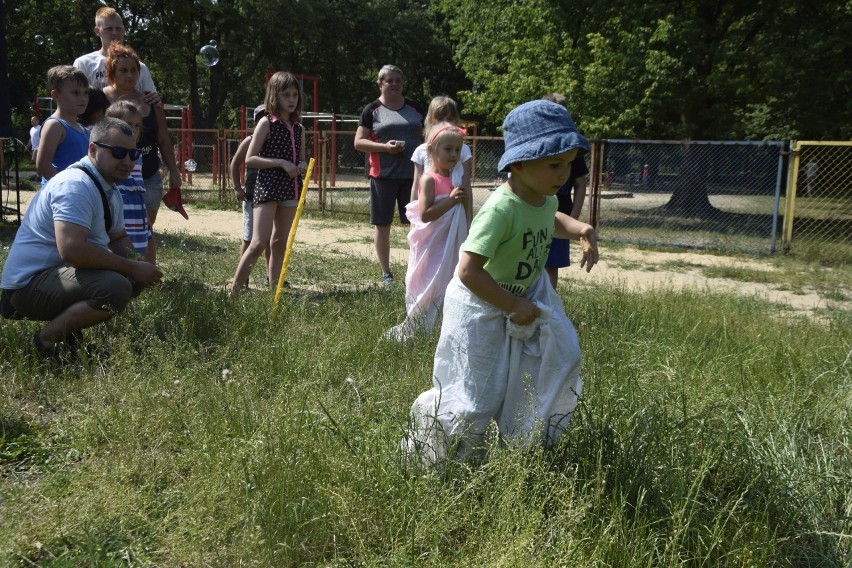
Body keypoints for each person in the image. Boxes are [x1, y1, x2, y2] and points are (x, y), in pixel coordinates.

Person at [404, 100, 599, 467]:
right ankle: (439, 459)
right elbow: (467, 271)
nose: (564, 173)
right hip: (479, 304)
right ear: (520, 163)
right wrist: (512, 306)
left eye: (569, 163)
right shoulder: (501, 208)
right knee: (477, 395)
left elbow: (549, 219)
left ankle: (522, 441)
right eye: (554, 164)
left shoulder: (542, 197)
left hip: (522, 296)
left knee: (559, 358)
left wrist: (581, 229)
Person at [0, 117, 162, 358]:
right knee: (116, 288)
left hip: (53, 276)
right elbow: (72, 250)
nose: (127, 161)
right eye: (118, 152)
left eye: (133, 154)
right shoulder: (76, 185)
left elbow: (117, 239)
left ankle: (69, 337)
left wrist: (140, 265)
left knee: (131, 278)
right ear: (93, 149)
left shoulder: (108, 187)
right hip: (25, 288)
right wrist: (131, 267)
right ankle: (45, 341)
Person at [386, 122, 468, 342]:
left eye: (457, 150)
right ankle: (422, 322)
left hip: (448, 243)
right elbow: (425, 215)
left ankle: (443, 323)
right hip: (433, 244)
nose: (453, 155)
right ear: (432, 150)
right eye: (448, 149)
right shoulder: (429, 179)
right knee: (429, 278)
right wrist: (451, 201)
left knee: (447, 280)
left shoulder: (455, 178)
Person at [230, 72, 307, 296]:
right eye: (286, 95)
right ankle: (233, 292)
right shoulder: (266, 123)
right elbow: (250, 159)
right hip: (267, 188)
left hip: (291, 189)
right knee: (258, 243)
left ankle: (275, 293)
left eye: (294, 95)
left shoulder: (299, 128)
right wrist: (281, 163)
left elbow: (301, 157)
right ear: (275, 95)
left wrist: (301, 165)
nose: (291, 100)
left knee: (279, 243)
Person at [103, 43, 182, 263]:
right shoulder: (99, 99)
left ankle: (144, 269)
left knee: (145, 225)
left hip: (148, 174)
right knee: (115, 227)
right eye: (123, 70)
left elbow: (164, 139)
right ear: (111, 72)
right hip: (113, 178)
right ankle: (123, 267)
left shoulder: (151, 101)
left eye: (134, 70)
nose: (129, 75)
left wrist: (174, 171)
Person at [354, 65, 424, 286]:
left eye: (398, 80)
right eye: (389, 80)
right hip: (382, 175)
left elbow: (427, 133)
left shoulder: (415, 108)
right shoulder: (371, 110)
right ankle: (386, 273)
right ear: (380, 84)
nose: (394, 84)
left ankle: (416, 268)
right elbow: (358, 142)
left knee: (417, 223)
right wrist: (384, 147)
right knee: (382, 225)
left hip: (414, 175)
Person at [542, 93, 589, 288]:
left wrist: (574, 219)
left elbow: (580, 184)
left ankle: (549, 306)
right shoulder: (538, 145)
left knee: (551, 265)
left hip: (561, 213)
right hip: (535, 212)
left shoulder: (573, 147)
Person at [73, 6, 161, 106]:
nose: (115, 33)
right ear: (97, 31)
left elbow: (152, 101)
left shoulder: (139, 67)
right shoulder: (83, 63)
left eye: (118, 28)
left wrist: (155, 99)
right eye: (109, 29)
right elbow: (75, 99)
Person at [410, 96, 473, 224]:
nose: (446, 122)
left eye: (450, 119)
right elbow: (417, 186)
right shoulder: (421, 150)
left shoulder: (463, 150)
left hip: (454, 218)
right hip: (430, 218)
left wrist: (469, 219)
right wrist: (413, 221)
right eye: (439, 118)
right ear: (430, 120)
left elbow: (466, 185)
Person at [229, 105, 271, 288]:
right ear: (255, 122)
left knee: (269, 240)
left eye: (268, 116)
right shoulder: (250, 140)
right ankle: (243, 279)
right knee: (249, 239)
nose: (264, 120)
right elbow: (234, 164)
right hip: (252, 197)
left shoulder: (276, 141)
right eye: (261, 117)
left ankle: (272, 277)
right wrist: (237, 188)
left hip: (271, 197)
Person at [105, 101, 153, 261]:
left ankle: (139, 275)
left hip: (136, 207)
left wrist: (145, 213)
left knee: (138, 246)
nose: (133, 129)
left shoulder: (136, 155)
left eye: (137, 125)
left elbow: (138, 186)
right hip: (119, 207)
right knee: (120, 248)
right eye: (127, 124)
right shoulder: (109, 154)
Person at [35, 66, 90, 186]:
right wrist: (67, 187)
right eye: (75, 93)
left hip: (79, 194)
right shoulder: (54, 125)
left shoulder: (83, 129)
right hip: (59, 195)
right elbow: (43, 166)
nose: (83, 98)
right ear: (55, 95)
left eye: (86, 93)